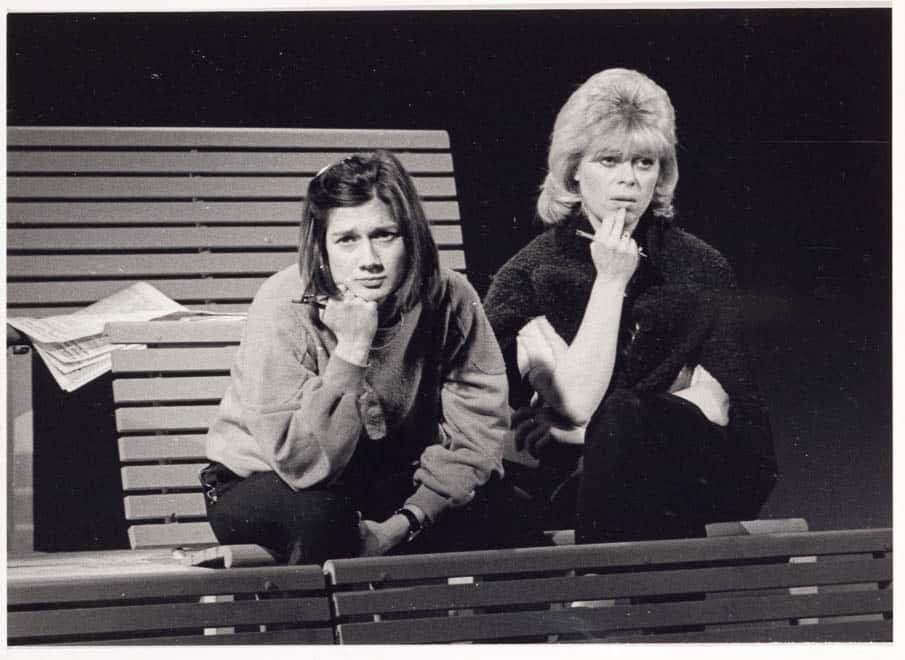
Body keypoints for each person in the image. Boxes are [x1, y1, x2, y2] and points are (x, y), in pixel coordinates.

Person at [484, 68, 778, 544]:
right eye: (609, 160)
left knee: (622, 419)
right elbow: (533, 414)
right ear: (573, 169)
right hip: (567, 485)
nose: (628, 180)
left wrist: (578, 430)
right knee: (620, 432)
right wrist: (611, 280)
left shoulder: (700, 265)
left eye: (644, 163)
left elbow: (728, 409)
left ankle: (599, 588)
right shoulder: (529, 274)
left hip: (696, 473)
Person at [202, 150, 538, 564]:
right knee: (326, 522)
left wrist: (406, 522)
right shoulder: (282, 304)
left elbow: (477, 438)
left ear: (411, 235)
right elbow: (303, 464)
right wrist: (351, 349)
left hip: (378, 480)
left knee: (511, 511)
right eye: (347, 239)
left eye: (385, 235)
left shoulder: (451, 298)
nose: (370, 261)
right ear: (322, 247)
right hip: (264, 481)